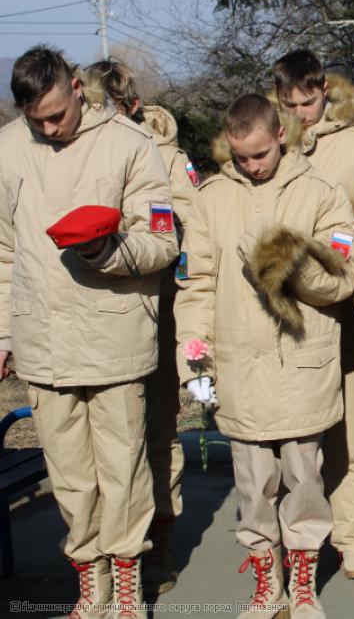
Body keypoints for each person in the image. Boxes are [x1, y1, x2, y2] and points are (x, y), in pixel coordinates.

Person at [0, 46, 179, 618]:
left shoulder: (131, 144)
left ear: (76, 86)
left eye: (56, 115)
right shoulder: (7, 149)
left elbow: (163, 241)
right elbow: (4, 253)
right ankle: (91, 587)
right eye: (37, 120)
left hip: (114, 338)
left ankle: (126, 588)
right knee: (71, 476)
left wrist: (107, 250)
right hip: (42, 341)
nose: (49, 129)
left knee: (123, 470)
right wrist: (3, 334)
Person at [174, 94, 354, 619]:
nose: (251, 165)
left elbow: (342, 280)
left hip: (300, 362)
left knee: (305, 482)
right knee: (253, 486)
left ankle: (302, 585)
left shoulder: (322, 192)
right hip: (239, 366)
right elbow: (196, 284)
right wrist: (195, 359)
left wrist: (281, 263)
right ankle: (266, 585)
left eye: (260, 154)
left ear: (281, 134)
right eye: (240, 157)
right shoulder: (210, 198)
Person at [82, 57, 201, 595]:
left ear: (130, 105)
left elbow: (190, 229)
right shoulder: (76, 152)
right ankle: (103, 551)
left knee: (154, 435)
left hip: (156, 312)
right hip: (92, 318)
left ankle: (159, 541)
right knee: (99, 445)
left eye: (102, 107)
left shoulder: (168, 158)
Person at [272, 49, 354, 579]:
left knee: (349, 429)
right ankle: (292, 536)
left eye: (308, 102)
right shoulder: (267, 142)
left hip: (341, 308)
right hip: (282, 313)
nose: (300, 114)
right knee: (289, 434)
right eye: (289, 104)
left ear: (325, 93)